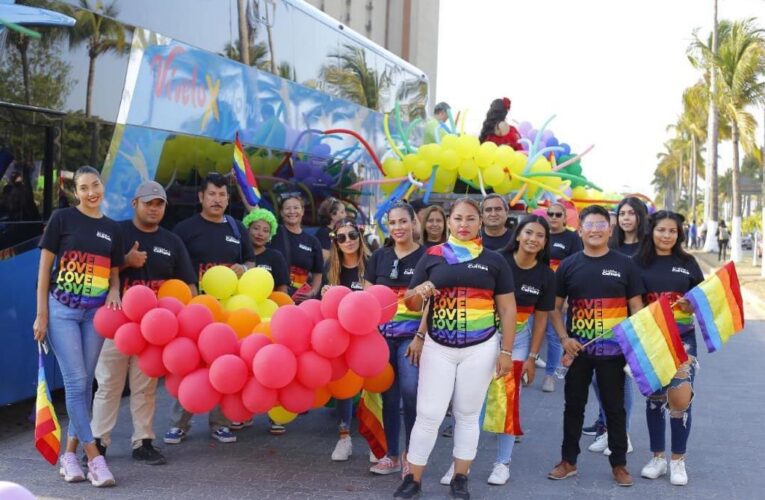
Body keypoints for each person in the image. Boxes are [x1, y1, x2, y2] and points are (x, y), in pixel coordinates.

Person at [393, 197, 516, 499]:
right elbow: (409, 301)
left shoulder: (494, 260)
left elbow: (508, 309)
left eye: (471, 219)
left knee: (467, 414)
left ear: (480, 222)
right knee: (428, 414)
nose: (464, 225)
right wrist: (419, 293)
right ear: (449, 221)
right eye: (458, 218)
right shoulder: (432, 256)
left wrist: (506, 352)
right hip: (438, 346)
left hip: (481, 347)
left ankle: (461, 477)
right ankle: (414, 479)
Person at [91, 181, 196, 466]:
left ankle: (144, 441)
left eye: (159, 203)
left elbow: (188, 285)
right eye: (148, 202)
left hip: (154, 331)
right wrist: (126, 261)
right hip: (117, 325)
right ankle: (98, 443)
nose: (154, 208)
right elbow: (96, 274)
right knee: (108, 384)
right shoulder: (116, 232)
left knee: (145, 387)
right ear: (134, 203)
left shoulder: (172, 241)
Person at [33, 166, 123, 487]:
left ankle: (69, 456)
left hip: (94, 315)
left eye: (95, 185)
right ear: (76, 193)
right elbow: (44, 270)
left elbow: (114, 269)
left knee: (86, 386)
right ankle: (94, 457)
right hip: (61, 311)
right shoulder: (62, 219)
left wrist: (114, 290)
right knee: (76, 382)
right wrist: (41, 314)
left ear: (102, 186)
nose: (90, 192)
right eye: (83, 188)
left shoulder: (112, 229)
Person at [547, 204, 644, 487]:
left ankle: (619, 464)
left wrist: (633, 346)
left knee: (615, 408)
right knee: (573, 406)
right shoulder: (568, 265)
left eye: (601, 225)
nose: (595, 230)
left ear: (610, 230)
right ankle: (569, 461)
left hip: (614, 354)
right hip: (579, 351)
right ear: (580, 230)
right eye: (589, 225)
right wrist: (565, 338)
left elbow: (636, 307)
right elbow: (555, 308)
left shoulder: (625, 265)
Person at [166, 173, 255, 445]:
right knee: (190, 365)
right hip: (195, 309)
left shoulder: (237, 228)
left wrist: (245, 269)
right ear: (201, 197)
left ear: (228, 199)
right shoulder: (185, 229)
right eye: (212, 194)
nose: (217, 200)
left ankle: (220, 423)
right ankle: (179, 423)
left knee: (226, 366)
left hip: (229, 311)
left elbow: (252, 263)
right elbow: (175, 269)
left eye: (222, 195)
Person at [482, 215, 557, 486]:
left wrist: (532, 357)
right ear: (517, 235)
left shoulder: (546, 275)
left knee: (507, 400)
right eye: (528, 233)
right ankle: (460, 464)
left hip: (520, 340)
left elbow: (541, 319)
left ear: (545, 242)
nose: (533, 239)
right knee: (471, 401)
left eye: (539, 235)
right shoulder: (496, 262)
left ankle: (502, 463)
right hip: (484, 335)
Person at [633, 210, 704, 486]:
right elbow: (632, 301)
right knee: (655, 399)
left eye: (672, 231)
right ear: (652, 231)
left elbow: (704, 299)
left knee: (680, 399)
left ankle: (678, 461)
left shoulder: (688, 263)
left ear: (679, 234)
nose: (667, 235)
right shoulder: (637, 263)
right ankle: (658, 458)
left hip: (683, 340)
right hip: (650, 338)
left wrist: (692, 304)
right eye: (662, 230)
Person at [364, 201, 426, 476]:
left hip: (411, 339)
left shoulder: (428, 256)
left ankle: (412, 455)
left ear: (414, 223)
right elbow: (366, 300)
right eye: (393, 223)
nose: (398, 228)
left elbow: (433, 303)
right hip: (382, 339)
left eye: (403, 221)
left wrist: (420, 337)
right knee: (389, 395)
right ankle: (391, 455)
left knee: (411, 393)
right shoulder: (379, 257)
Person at [321, 218, 369, 461]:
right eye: (341, 238)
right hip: (342, 334)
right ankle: (344, 437)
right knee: (344, 386)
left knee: (374, 386)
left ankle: (376, 441)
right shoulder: (331, 267)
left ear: (360, 237)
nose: (348, 241)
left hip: (371, 333)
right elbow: (325, 305)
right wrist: (325, 294)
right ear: (335, 242)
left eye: (352, 235)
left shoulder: (372, 262)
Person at [540, 201, 583, 393]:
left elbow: (576, 267)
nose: (554, 217)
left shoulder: (572, 237)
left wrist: (567, 298)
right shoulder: (540, 234)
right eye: (551, 214)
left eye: (558, 214)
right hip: (536, 290)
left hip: (557, 294)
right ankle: (526, 368)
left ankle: (550, 375)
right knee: (529, 332)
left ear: (565, 218)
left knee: (553, 335)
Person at [269, 194, 324, 303]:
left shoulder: (313, 241)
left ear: (302, 211)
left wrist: (312, 292)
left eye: (296, 208)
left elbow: (318, 272)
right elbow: (255, 211)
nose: (292, 211)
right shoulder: (274, 232)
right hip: (274, 296)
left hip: (299, 300)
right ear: (281, 212)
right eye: (287, 208)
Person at [243, 207, 290, 293]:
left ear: (270, 235)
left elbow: (282, 290)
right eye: (256, 228)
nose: (260, 234)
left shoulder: (276, 256)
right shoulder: (238, 253)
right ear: (247, 229)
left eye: (266, 231)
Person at [315, 197, 347, 261]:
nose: (346, 215)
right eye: (342, 212)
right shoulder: (323, 233)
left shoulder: (334, 232)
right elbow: (325, 256)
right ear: (332, 215)